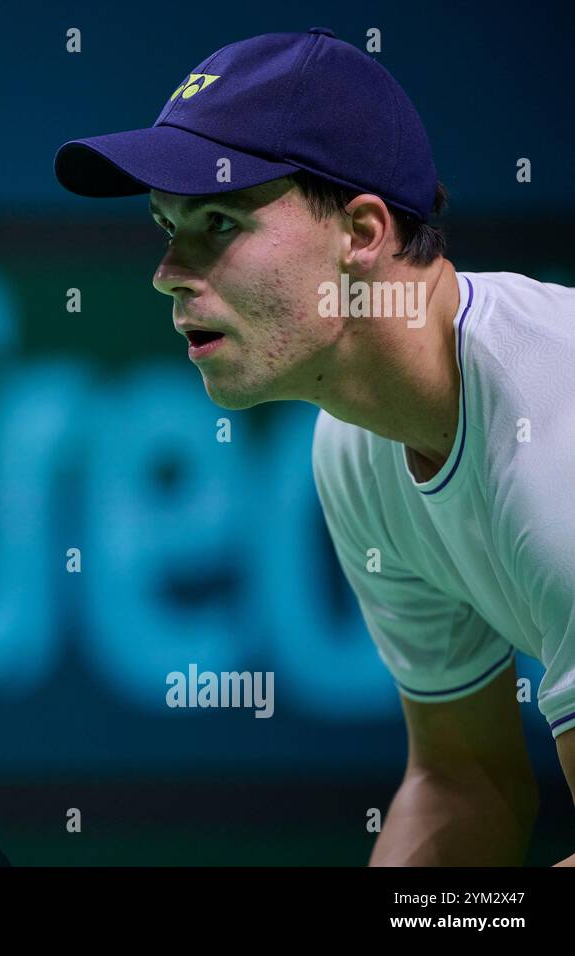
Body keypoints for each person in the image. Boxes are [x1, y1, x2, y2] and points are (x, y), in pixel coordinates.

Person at [54, 27, 575, 865]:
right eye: (165, 225)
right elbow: (464, 780)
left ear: (362, 231)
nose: (167, 271)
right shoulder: (357, 450)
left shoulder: (558, 440)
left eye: (218, 222)